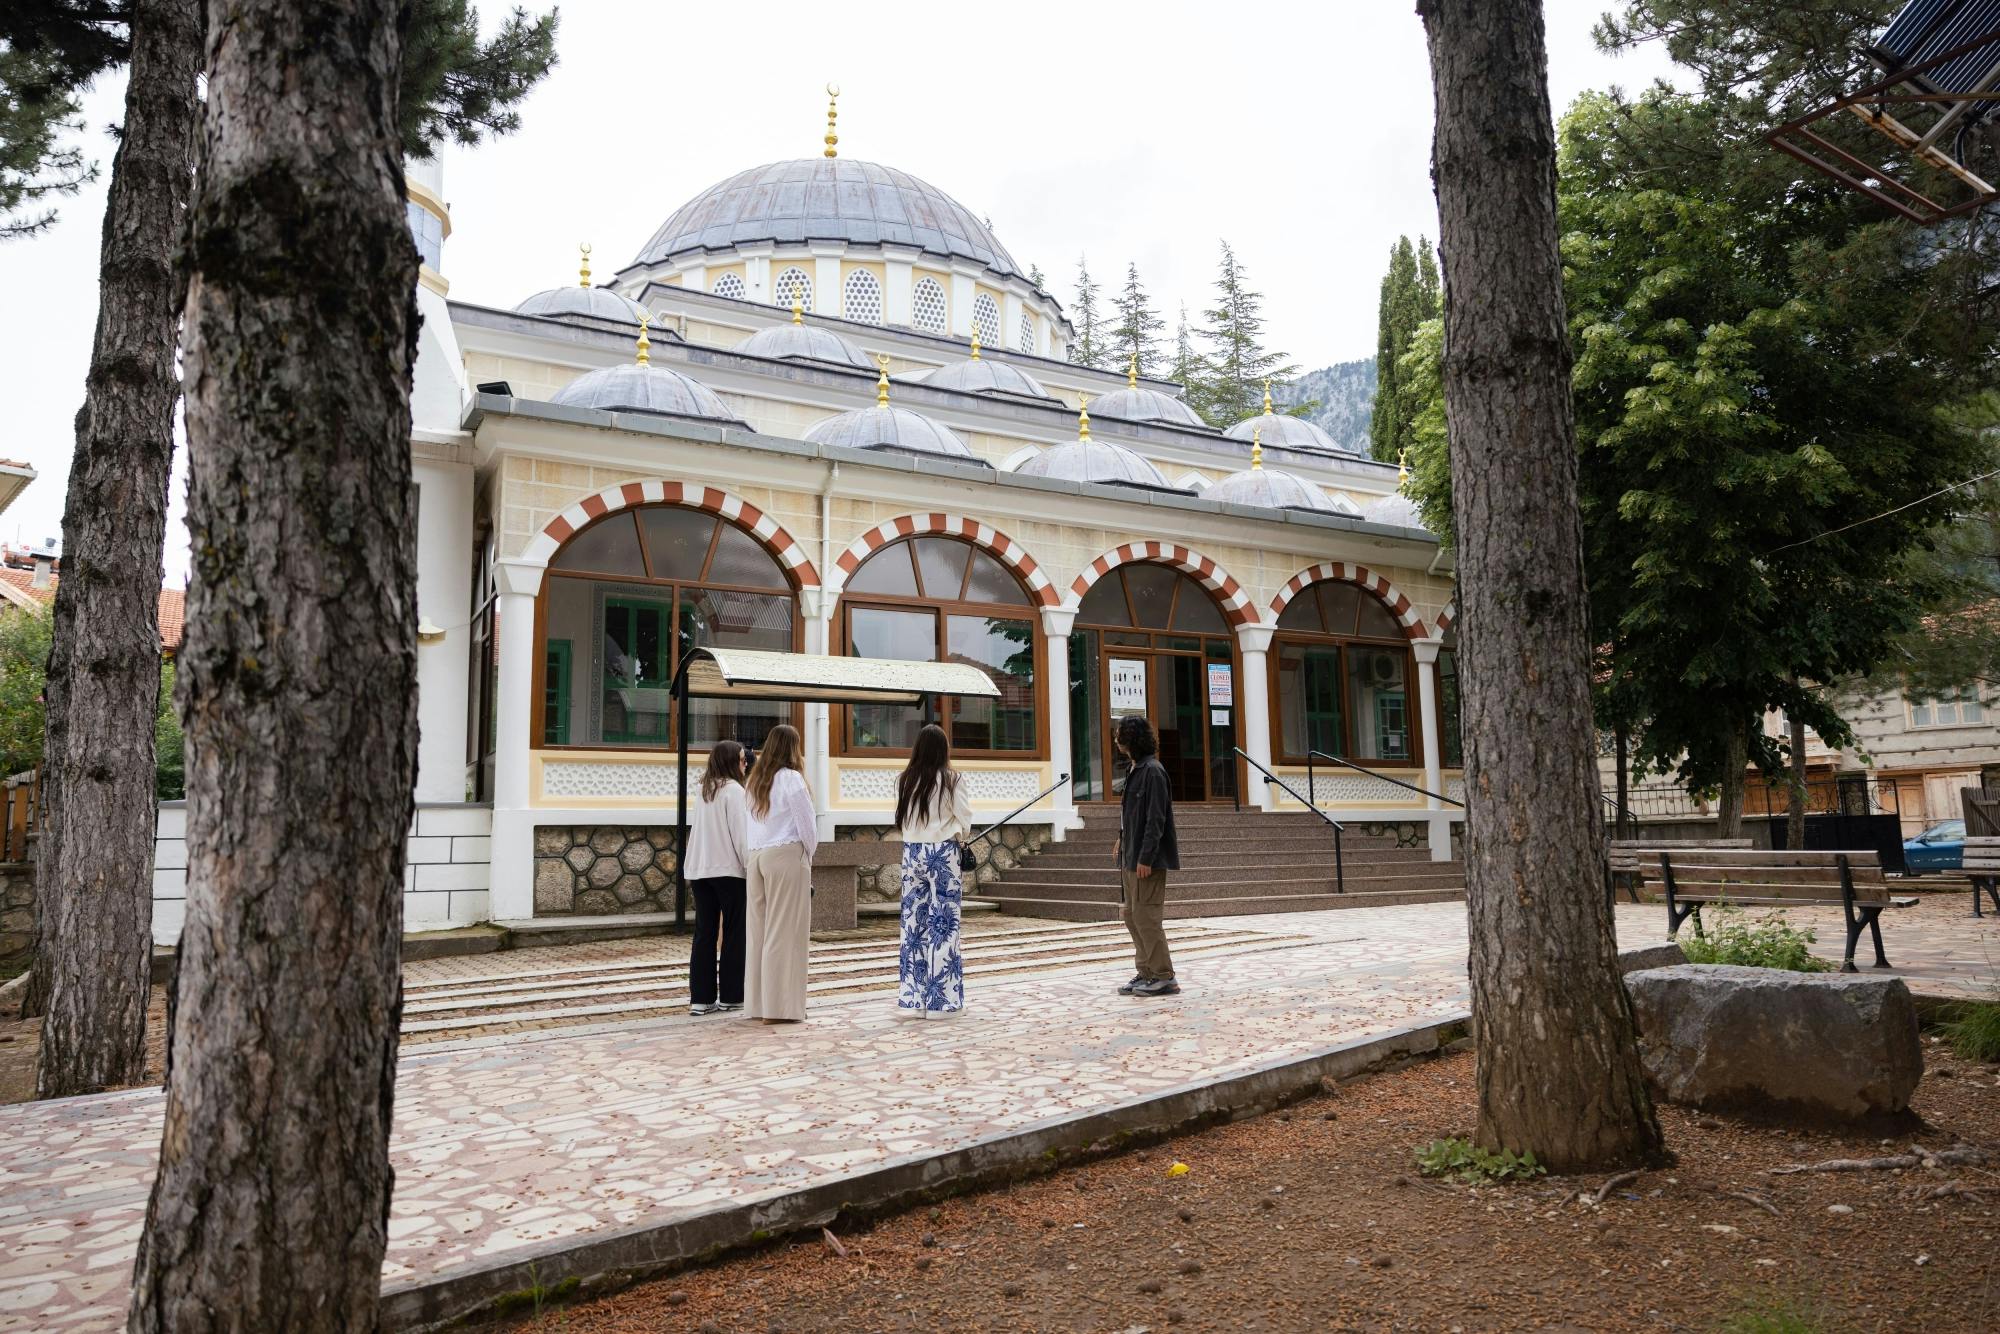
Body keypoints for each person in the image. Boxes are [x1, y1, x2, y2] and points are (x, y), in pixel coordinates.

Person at [892, 723, 976, 1018]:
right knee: (944, 925)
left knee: (914, 928)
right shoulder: (953, 780)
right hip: (942, 852)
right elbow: (964, 818)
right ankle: (943, 1003)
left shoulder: (905, 779)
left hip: (912, 852)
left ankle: (913, 1001)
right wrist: (961, 837)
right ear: (943, 750)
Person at [743, 723, 816, 1024]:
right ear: (793, 748)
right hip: (786, 854)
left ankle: (758, 1005)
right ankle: (779, 1009)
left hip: (756, 856)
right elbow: (806, 823)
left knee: (758, 934)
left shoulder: (754, 780)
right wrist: (808, 854)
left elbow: (749, 824)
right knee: (784, 933)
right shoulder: (792, 779)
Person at [1113, 714, 1180, 996]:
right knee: (1131, 915)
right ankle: (1146, 972)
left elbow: (1156, 819)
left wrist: (1146, 858)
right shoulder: (1135, 769)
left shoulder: (1153, 771)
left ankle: (1164, 975)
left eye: (1119, 735)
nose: (1116, 740)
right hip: (1130, 855)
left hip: (1145, 859)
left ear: (1131, 739)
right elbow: (1132, 816)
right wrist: (1121, 839)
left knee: (1147, 917)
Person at [685, 739, 749, 1016]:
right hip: (729, 870)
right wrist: (751, 867)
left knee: (704, 933)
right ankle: (732, 995)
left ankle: (701, 998)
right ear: (732, 762)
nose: (745, 764)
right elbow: (741, 835)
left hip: (700, 869)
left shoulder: (703, 789)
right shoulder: (734, 791)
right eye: (742, 759)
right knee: (735, 933)